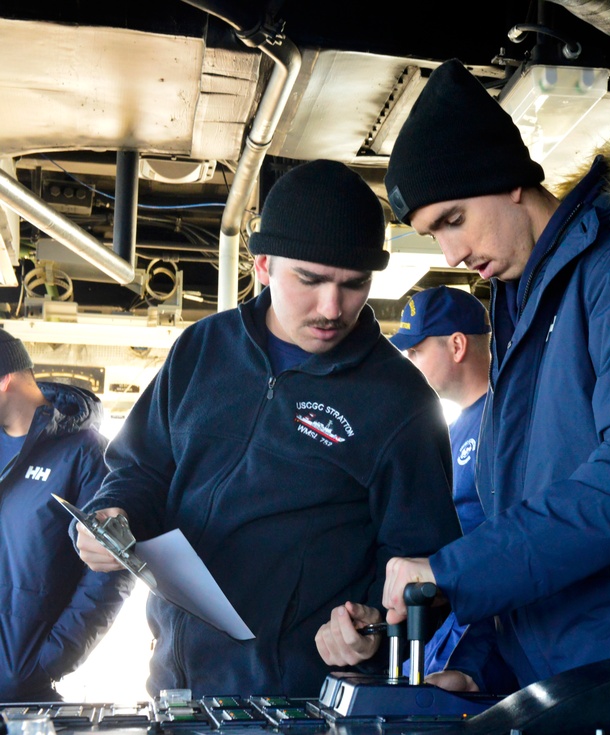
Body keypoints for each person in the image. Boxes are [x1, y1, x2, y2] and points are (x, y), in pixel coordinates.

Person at [377, 58, 610, 692]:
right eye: (432, 234)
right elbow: (529, 517)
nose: (451, 254)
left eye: (453, 219)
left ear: (506, 182)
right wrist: (479, 671)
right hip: (573, 677)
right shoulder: (525, 307)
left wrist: (456, 572)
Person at [75, 159, 462, 697]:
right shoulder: (201, 349)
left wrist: (372, 627)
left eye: (354, 285)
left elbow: (425, 562)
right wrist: (110, 515)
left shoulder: (400, 402)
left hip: (297, 700)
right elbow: (141, 466)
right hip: (175, 684)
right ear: (262, 265)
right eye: (310, 280)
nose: (333, 308)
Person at [0, 328, 132, 702]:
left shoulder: (86, 456)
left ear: (5, 379)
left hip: (20, 692)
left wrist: (48, 660)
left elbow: (112, 572)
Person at [388, 285, 499, 680]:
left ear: (456, 346)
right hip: (450, 617)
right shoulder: (451, 432)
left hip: (488, 632)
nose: (408, 360)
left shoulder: (506, 423)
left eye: (416, 351)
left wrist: (471, 665)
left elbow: (503, 547)